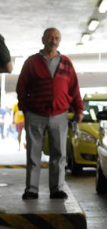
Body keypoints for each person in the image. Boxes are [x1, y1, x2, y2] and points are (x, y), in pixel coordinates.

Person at [16, 28, 83, 200]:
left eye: (57, 38)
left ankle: (57, 188)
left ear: (59, 41)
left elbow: (74, 88)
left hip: (59, 115)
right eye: (50, 38)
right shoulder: (32, 62)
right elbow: (21, 86)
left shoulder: (66, 63)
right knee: (33, 153)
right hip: (35, 114)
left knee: (59, 154)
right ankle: (31, 189)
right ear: (43, 40)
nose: (54, 41)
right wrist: (25, 109)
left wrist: (79, 110)